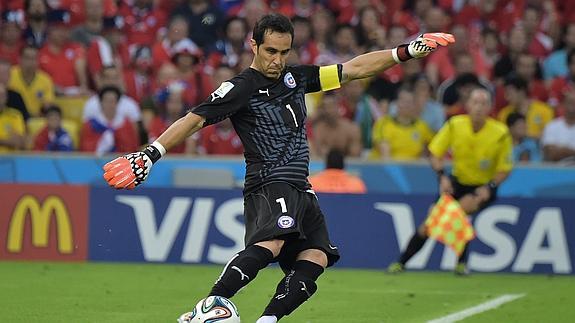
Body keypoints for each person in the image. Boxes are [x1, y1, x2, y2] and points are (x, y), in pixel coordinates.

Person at [102, 13, 454, 322]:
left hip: (301, 187)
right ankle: (210, 304)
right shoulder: (239, 88)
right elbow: (194, 119)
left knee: (315, 257)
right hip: (268, 182)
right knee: (271, 242)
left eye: (284, 52)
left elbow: (354, 70)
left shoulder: (297, 78)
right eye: (270, 51)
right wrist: (150, 154)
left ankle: (268, 319)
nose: (277, 60)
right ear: (254, 46)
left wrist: (405, 51)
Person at [387, 88, 513, 276]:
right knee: (428, 226)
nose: (479, 107)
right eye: (475, 102)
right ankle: (401, 263)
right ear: (468, 105)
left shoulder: (500, 133)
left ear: (489, 107)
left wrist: (491, 186)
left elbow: (505, 168)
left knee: (458, 211)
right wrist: (442, 176)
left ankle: (461, 263)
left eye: (483, 103)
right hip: (456, 182)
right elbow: (434, 153)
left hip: (482, 187)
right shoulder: (455, 125)